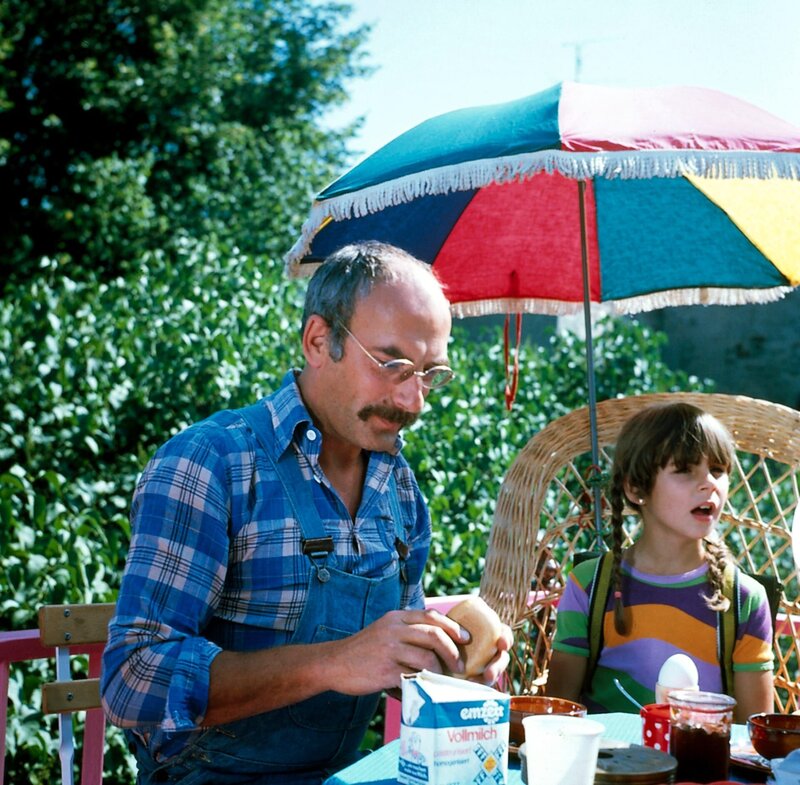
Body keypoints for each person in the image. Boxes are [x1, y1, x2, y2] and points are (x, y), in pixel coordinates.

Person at [101, 241, 513, 784]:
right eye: (394, 365)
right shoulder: (212, 462)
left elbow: (387, 665)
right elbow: (132, 680)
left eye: (431, 373)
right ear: (320, 341)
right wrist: (335, 661)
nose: (415, 401)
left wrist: (447, 664)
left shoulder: (400, 488)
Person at [546, 402, 773, 723]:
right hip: (607, 767)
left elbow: (752, 736)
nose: (709, 483)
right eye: (684, 470)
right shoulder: (589, 584)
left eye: (718, 470)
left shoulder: (744, 600)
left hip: (699, 767)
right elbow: (557, 715)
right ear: (636, 488)